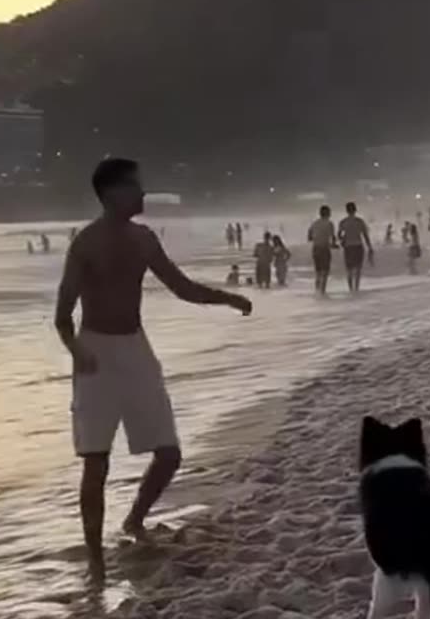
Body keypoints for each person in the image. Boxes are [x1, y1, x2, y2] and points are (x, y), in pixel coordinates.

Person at [54, 158, 252, 581]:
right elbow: (61, 315)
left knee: (169, 453)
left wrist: (228, 298)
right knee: (96, 460)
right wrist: (76, 350)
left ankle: (134, 520)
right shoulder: (85, 243)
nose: (142, 194)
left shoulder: (144, 239)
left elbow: (181, 287)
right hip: (95, 352)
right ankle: (95, 558)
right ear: (110, 193)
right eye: (134, 187)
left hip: (136, 350)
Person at [338, 202, 374, 293]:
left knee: (349, 269)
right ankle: (356, 288)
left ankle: (350, 288)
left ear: (346, 210)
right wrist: (370, 247)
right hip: (358, 246)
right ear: (355, 210)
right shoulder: (359, 221)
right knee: (358, 269)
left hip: (348, 247)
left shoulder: (343, 222)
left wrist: (342, 241)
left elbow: (339, 235)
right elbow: (365, 235)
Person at [308, 205, 337, 295]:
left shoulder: (314, 223)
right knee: (325, 271)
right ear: (328, 213)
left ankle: (317, 290)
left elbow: (309, 237)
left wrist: (317, 238)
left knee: (318, 271)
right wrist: (333, 245)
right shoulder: (329, 223)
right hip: (324, 248)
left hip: (316, 248)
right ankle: (322, 291)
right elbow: (333, 238)